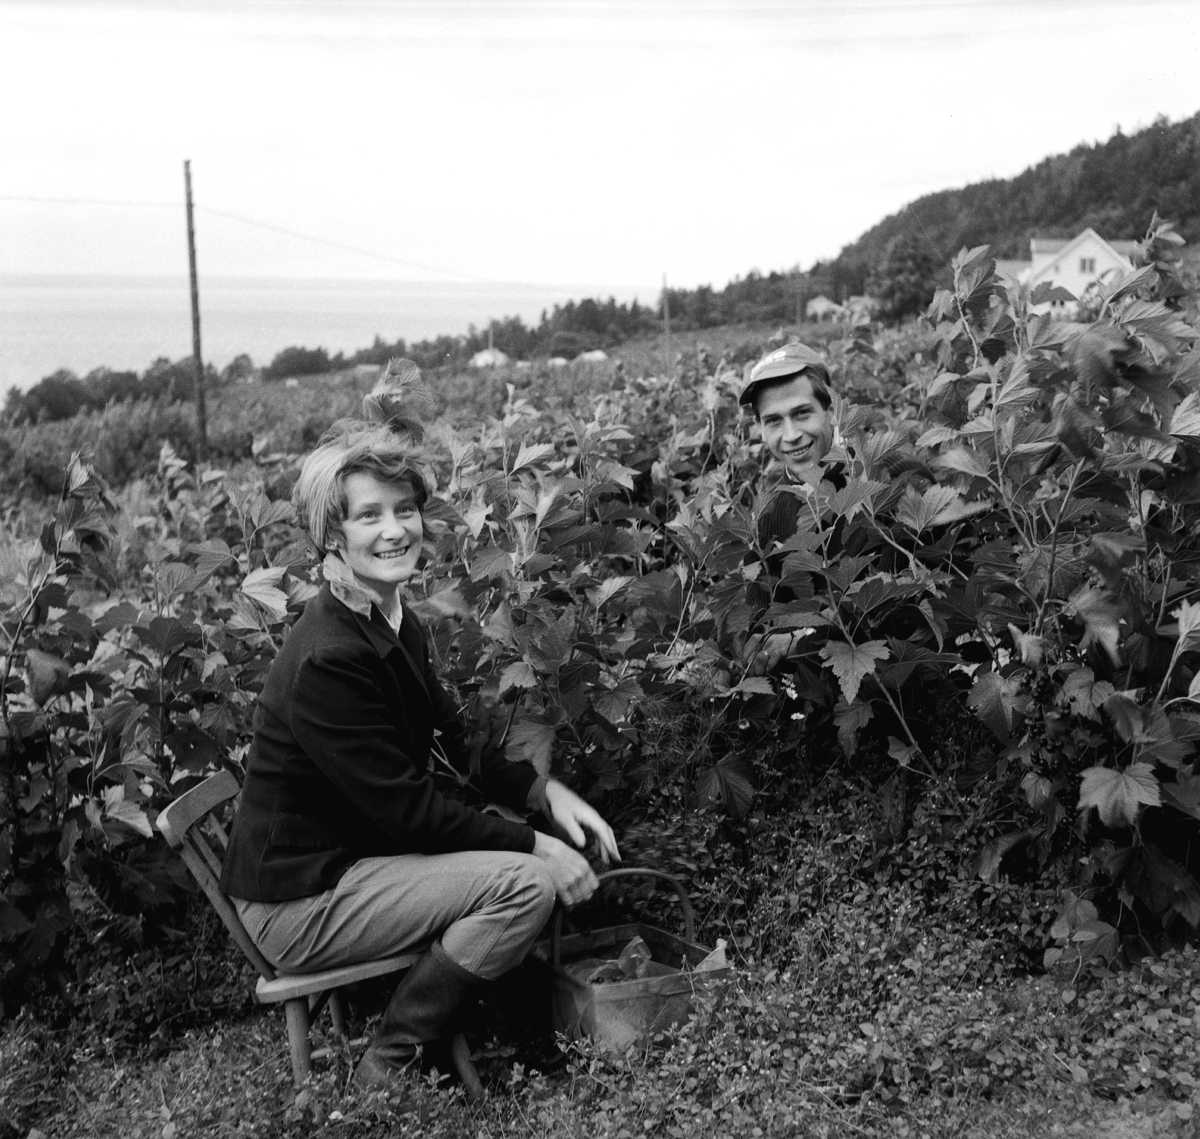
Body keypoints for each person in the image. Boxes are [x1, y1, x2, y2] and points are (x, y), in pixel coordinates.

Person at [219, 396, 620, 1088]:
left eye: (403, 509)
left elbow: (459, 741)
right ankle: (393, 1058)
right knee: (523, 883)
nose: (395, 529)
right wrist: (538, 845)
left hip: (344, 866)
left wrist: (542, 792)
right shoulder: (330, 656)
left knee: (517, 850)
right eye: (369, 514)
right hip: (300, 901)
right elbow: (405, 812)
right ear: (332, 534)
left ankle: (496, 1028)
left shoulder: (392, 619)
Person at [737, 342, 837, 676]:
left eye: (801, 413)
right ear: (760, 428)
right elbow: (759, 617)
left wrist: (804, 638)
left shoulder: (888, 472)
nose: (791, 435)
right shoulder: (768, 516)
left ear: (832, 409)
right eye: (774, 421)